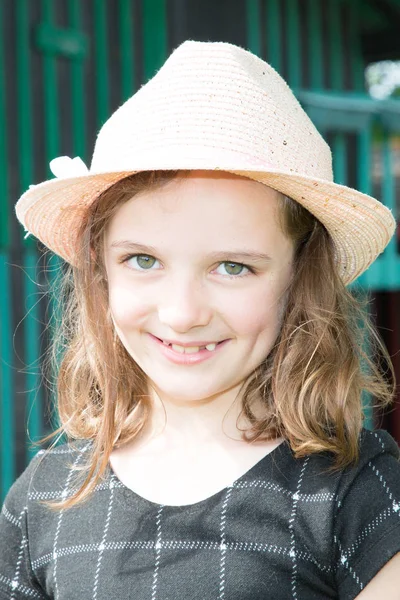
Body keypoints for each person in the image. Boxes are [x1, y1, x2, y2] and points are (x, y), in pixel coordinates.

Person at [1, 39, 399, 600]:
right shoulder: (42, 499)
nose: (183, 313)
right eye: (143, 260)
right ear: (101, 273)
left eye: (232, 267)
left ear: (297, 280)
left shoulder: (360, 495)